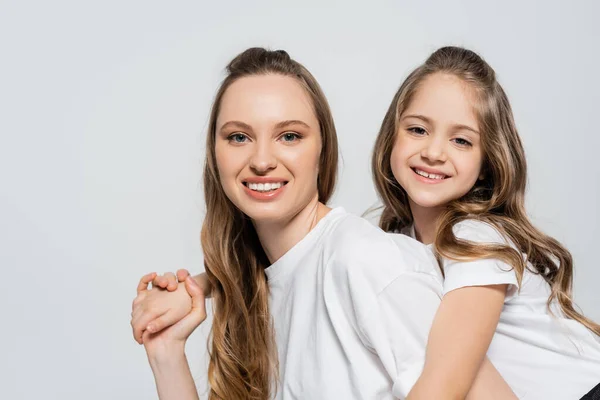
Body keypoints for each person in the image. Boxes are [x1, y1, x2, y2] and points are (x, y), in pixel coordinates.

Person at [132, 47, 511, 400]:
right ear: (215, 155)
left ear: (322, 150)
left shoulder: (364, 261)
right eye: (239, 136)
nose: (262, 159)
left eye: (290, 136)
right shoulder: (262, 287)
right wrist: (166, 353)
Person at [371, 45, 600, 399]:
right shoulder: (400, 240)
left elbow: (444, 386)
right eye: (417, 130)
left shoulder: (474, 240)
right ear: (392, 137)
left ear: (486, 163)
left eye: (461, 140)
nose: (433, 152)